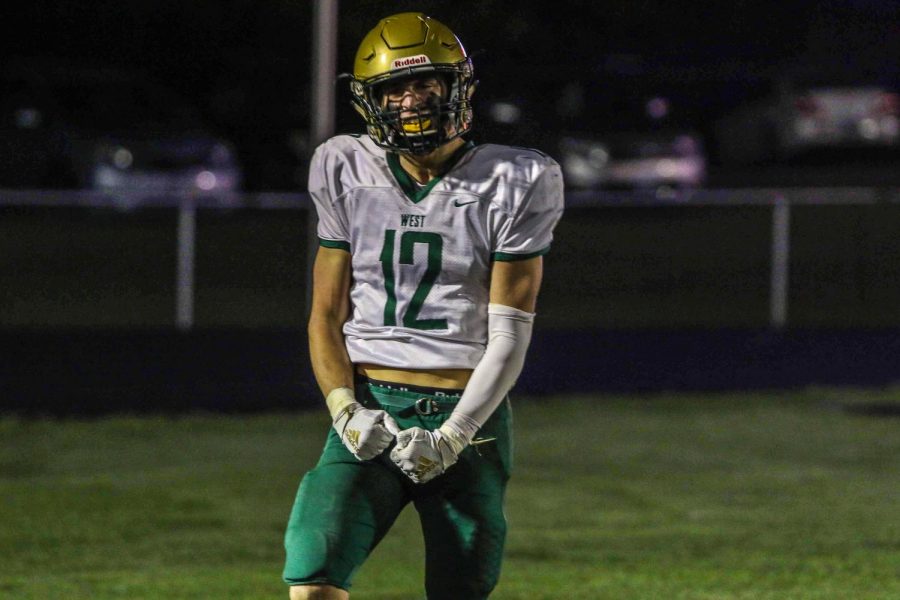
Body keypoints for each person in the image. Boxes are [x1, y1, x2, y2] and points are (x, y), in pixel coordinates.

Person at [282, 11, 564, 600]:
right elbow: (325, 317)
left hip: (470, 414)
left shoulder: (514, 178)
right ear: (371, 101)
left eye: (425, 84)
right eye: (394, 89)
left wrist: (453, 435)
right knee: (313, 569)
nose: (410, 101)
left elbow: (510, 334)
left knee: (460, 587)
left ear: (456, 88)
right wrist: (344, 411)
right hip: (370, 406)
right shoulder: (344, 166)